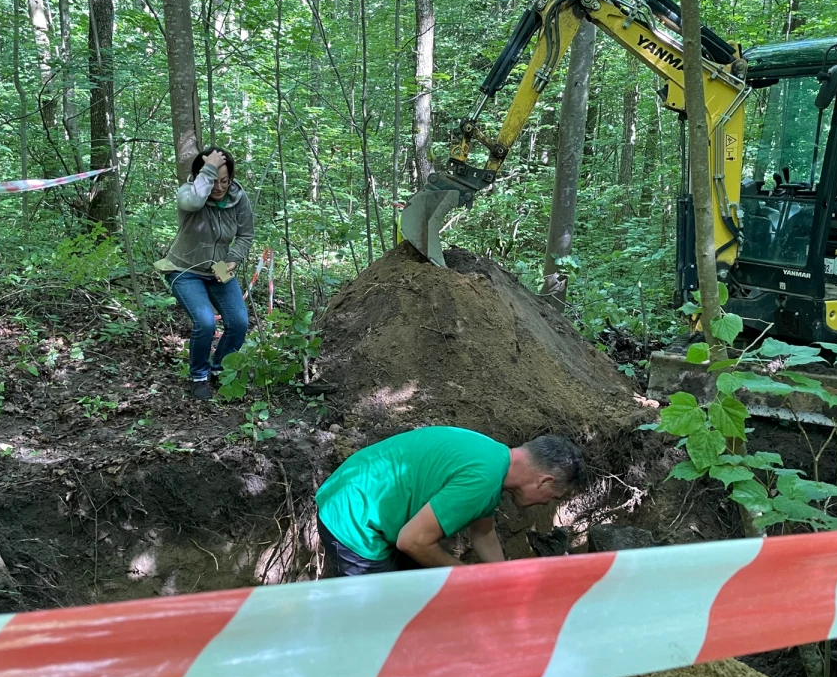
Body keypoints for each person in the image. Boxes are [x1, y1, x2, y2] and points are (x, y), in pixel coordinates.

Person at [314, 426, 586, 576]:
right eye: (553, 497)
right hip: (354, 519)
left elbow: (484, 532)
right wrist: (467, 577)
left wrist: (502, 578)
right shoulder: (483, 479)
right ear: (545, 481)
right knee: (381, 620)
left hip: (361, 500)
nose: (546, 503)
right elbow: (413, 541)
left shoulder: (493, 458)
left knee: (415, 590)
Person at [157, 146, 254, 400]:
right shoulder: (188, 193)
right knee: (205, 322)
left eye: (225, 181)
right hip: (183, 268)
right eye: (213, 180)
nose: (219, 187)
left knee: (239, 322)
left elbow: (246, 234)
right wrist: (208, 169)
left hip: (219, 268)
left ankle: (220, 369)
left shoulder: (238, 197)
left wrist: (234, 259)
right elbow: (195, 201)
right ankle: (198, 376)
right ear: (203, 177)